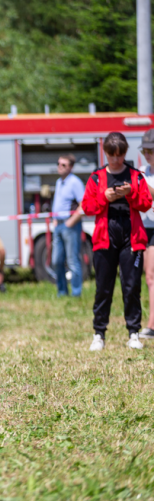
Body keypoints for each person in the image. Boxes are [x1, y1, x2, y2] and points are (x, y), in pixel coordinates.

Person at [82, 132, 153, 351]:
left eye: (120, 155)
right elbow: (86, 207)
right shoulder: (96, 178)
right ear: (105, 153)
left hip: (131, 237)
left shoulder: (135, 176)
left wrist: (131, 193)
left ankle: (133, 332)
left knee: (131, 286)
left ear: (125, 153)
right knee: (104, 286)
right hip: (105, 237)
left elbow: (146, 204)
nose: (116, 160)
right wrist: (104, 197)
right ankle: (99, 333)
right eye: (112, 156)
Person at [52, 154, 85, 297]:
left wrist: (71, 221)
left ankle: (76, 294)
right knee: (56, 261)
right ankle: (62, 292)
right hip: (58, 225)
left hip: (70, 226)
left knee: (72, 261)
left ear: (71, 167)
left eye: (63, 165)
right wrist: (55, 219)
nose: (60, 167)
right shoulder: (60, 182)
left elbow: (84, 204)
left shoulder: (75, 182)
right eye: (59, 164)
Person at [139, 129, 154, 339]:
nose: (147, 154)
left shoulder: (143, 176)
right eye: (145, 150)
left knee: (151, 276)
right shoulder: (142, 171)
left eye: (151, 150)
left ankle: (152, 324)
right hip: (146, 227)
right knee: (148, 275)